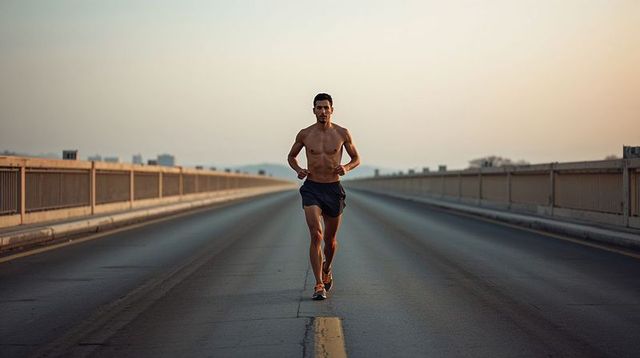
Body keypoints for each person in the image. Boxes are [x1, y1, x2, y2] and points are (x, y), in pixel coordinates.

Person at [287, 93, 361, 300]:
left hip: (333, 189)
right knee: (316, 235)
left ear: (332, 110)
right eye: (319, 108)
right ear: (313, 110)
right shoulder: (304, 134)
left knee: (330, 241)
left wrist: (346, 167)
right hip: (312, 188)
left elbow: (356, 158)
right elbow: (291, 156)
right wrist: (299, 169)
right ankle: (319, 284)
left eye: (326, 108)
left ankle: (327, 268)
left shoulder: (342, 133)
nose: (322, 111)